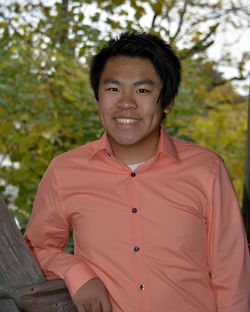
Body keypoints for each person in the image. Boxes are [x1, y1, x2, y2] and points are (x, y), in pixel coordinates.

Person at [24, 32, 250, 312]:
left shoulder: (207, 170)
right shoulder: (64, 171)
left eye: (142, 90)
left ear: (167, 102)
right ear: (98, 98)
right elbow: (36, 249)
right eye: (113, 89)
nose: (126, 103)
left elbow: (231, 275)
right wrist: (76, 273)